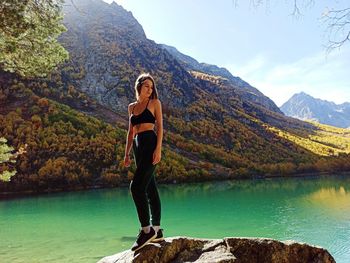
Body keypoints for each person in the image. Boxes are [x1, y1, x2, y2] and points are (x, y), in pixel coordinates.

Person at [123, 73, 164, 252]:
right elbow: (131, 132)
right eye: (147, 86)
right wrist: (126, 154)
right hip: (138, 147)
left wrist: (158, 149)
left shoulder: (155, 103)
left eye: (152, 86)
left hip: (150, 142)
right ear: (139, 87)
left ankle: (146, 230)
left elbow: (160, 127)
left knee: (136, 187)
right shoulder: (132, 107)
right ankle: (157, 230)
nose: (150, 89)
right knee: (149, 187)